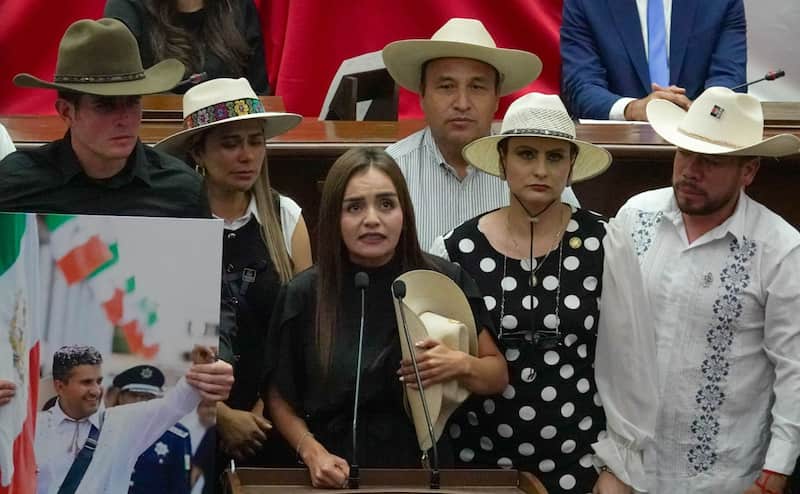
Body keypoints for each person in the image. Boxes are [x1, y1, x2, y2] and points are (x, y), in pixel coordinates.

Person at [266, 147, 508, 488]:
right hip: (332, 473)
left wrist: (459, 364)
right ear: (335, 216)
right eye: (354, 207)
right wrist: (311, 452)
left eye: (386, 204)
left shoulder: (444, 278)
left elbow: (496, 374)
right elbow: (279, 396)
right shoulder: (305, 293)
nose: (372, 219)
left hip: (421, 472)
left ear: (404, 213)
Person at [599, 87, 800, 492]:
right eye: (684, 152)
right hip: (623, 470)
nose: (691, 169)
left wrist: (774, 474)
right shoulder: (634, 216)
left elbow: (794, 369)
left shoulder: (781, 249)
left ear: (749, 171)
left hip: (725, 478)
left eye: (711, 161)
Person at [430, 93, 621, 494]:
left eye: (555, 157)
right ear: (502, 162)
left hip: (582, 461)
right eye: (526, 154)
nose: (540, 169)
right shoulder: (454, 249)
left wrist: (620, 465)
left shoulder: (607, 242)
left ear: (571, 166)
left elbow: (631, 363)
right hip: (478, 466)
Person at [156, 77, 311, 467]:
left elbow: (303, 332)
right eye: (230, 144)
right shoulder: (173, 222)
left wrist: (262, 410)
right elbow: (156, 331)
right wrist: (221, 416)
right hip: (182, 416)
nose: (247, 156)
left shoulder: (286, 218)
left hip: (271, 421)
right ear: (198, 151)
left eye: (255, 141)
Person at [382, 18, 580, 250]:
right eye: (446, 87)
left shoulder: (537, 169)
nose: (462, 103)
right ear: (422, 96)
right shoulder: (392, 171)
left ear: (497, 98)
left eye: (477, 87)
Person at [0, 18, 208, 217]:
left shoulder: (181, 190)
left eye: (133, 101)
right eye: (105, 106)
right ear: (66, 111)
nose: (124, 119)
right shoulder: (15, 184)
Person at [34, 345, 233, 494]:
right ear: (60, 386)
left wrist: (202, 372)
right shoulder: (33, 428)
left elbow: (173, 405)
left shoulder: (120, 424)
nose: (95, 390)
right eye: (86, 382)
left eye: (98, 381)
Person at [560, 0, 747, 120]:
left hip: (700, 146)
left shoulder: (721, 3)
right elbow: (581, 87)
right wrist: (633, 109)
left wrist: (698, 111)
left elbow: (730, 81)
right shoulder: (586, 3)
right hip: (617, 151)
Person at [104, 0, 269, 94]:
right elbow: (115, 91)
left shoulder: (238, 7)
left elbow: (258, 92)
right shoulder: (126, 7)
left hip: (226, 139)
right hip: (154, 139)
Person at [108, 365, 192, 494]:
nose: (140, 402)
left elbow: (179, 487)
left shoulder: (177, 436)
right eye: (134, 395)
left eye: (148, 397)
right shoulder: (104, 428)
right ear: (121, 397)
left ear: (159, 400)